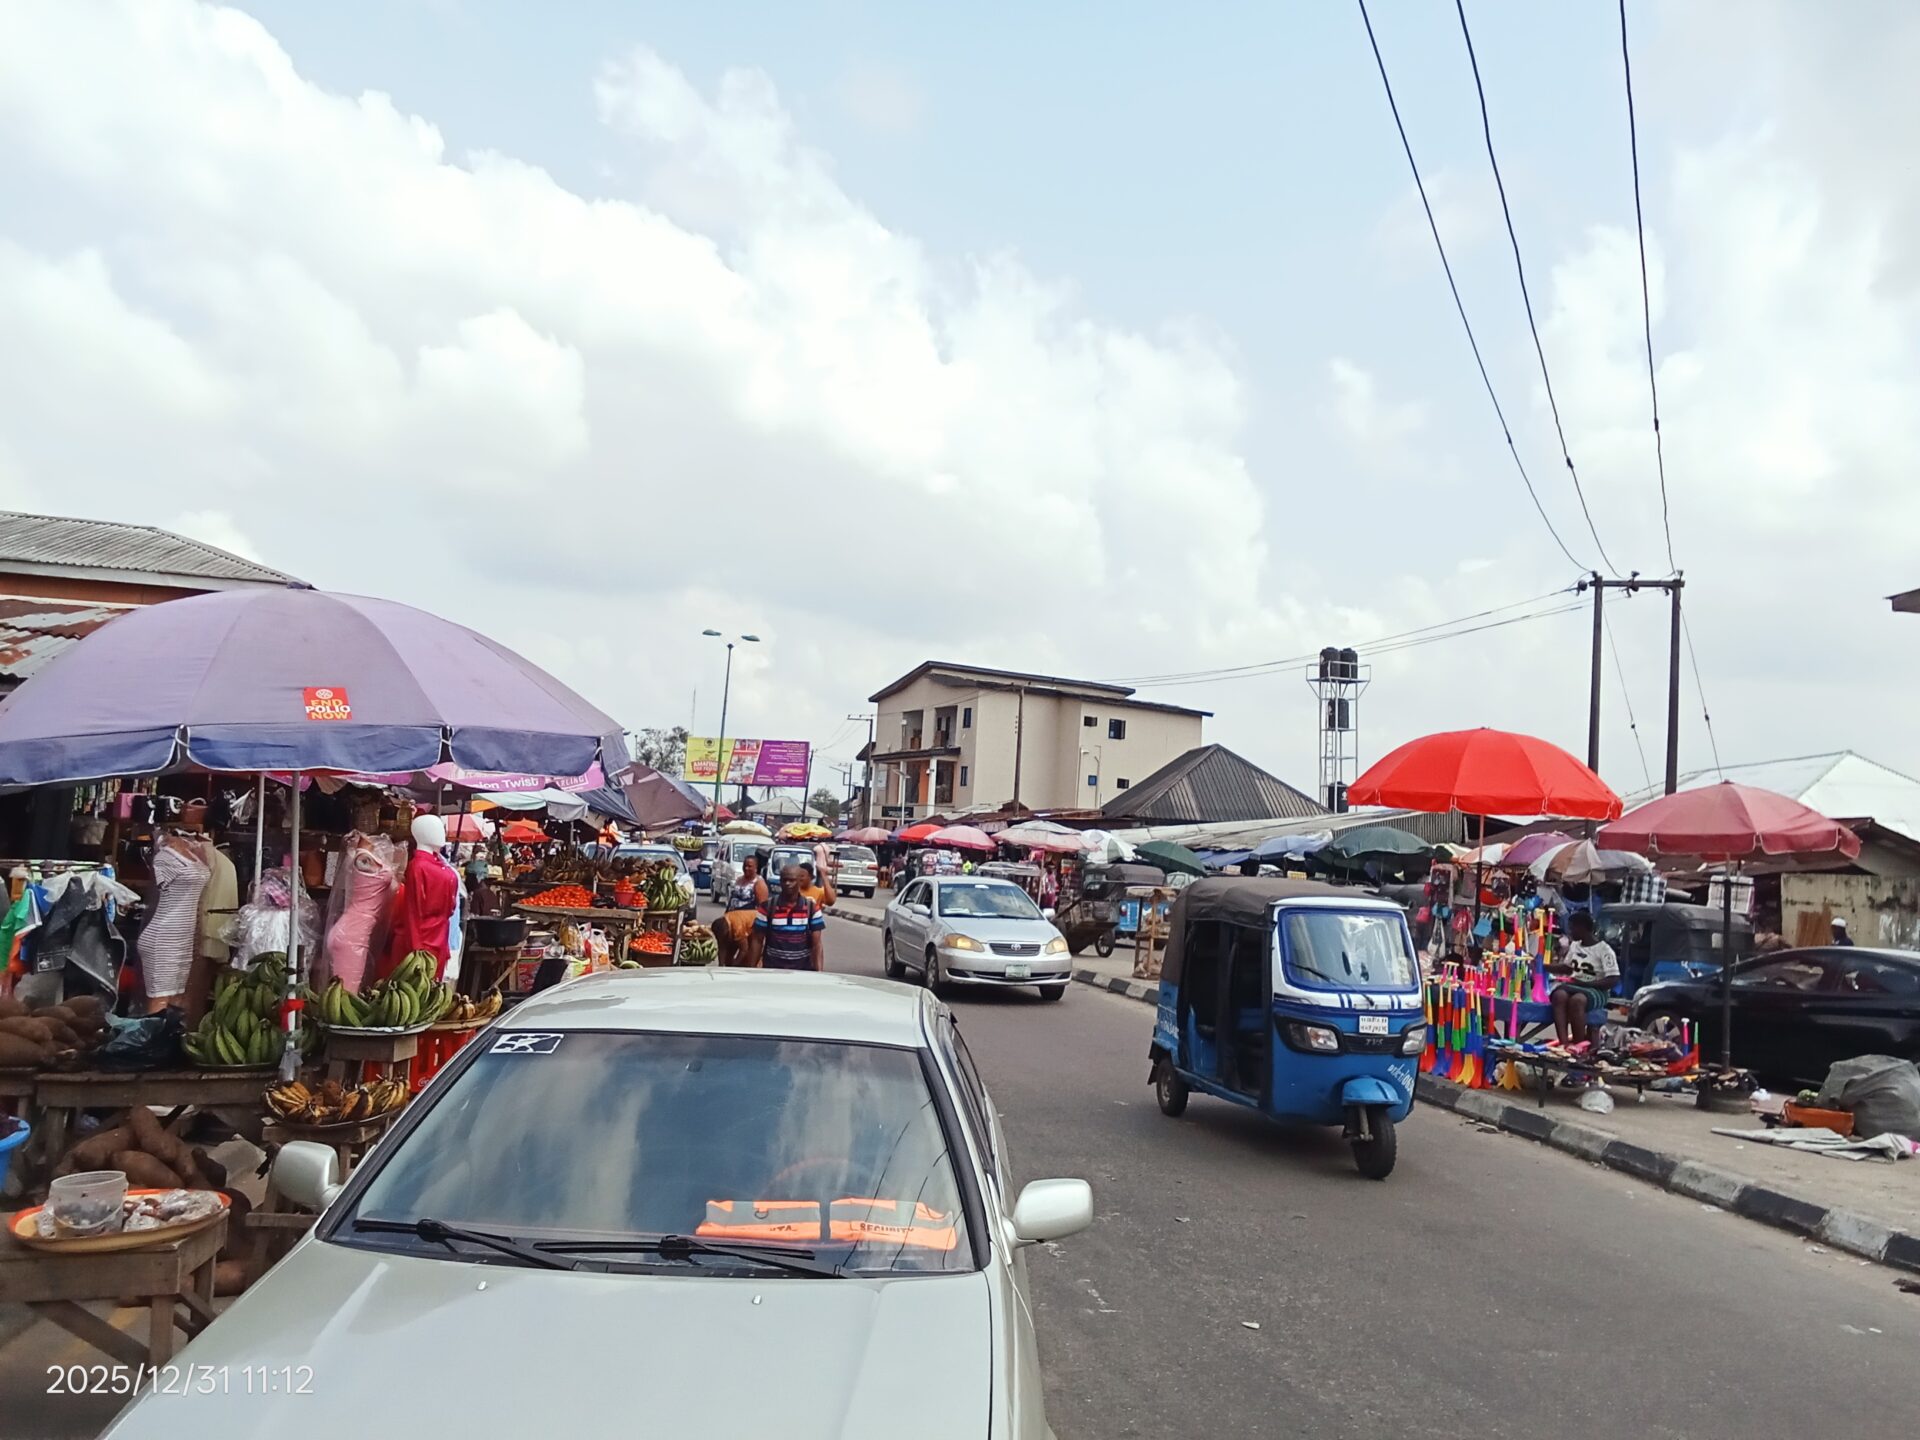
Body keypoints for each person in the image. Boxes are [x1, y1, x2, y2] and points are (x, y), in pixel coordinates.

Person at [1550, 912, 1619, 1046]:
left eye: (1572, 928)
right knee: (1559, 996)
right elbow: (1567, 968)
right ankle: (1564, 1044)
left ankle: (1579, 1046)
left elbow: (1613, 979)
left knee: (1577, 1001)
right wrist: (1544, 966)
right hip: (1575, 985)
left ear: (1582, 928)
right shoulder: (1575, 946)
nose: (1570, 932)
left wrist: (1588, 984)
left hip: (1597, 989)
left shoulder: (1604, 950)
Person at [752, 865, 826, 972]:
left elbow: (817, 945)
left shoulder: (812, 909)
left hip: (802, 971)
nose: (787, 883)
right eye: (784, 880)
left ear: (799, 881)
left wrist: (819, 973)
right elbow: (757, 941)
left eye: (792, 880)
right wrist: (751, 970)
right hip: (772, 971)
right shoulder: (767, 907)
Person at [715, 854, 769, 966]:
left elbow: (763, 907)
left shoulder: (759, 883)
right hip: (733, 921)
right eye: (745, 865)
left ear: (756, 868)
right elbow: (732, 899)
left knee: (745, 955)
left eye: (749, 866)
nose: (746, 868)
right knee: (728, 951)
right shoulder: (739, 880)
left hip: (748, 925)